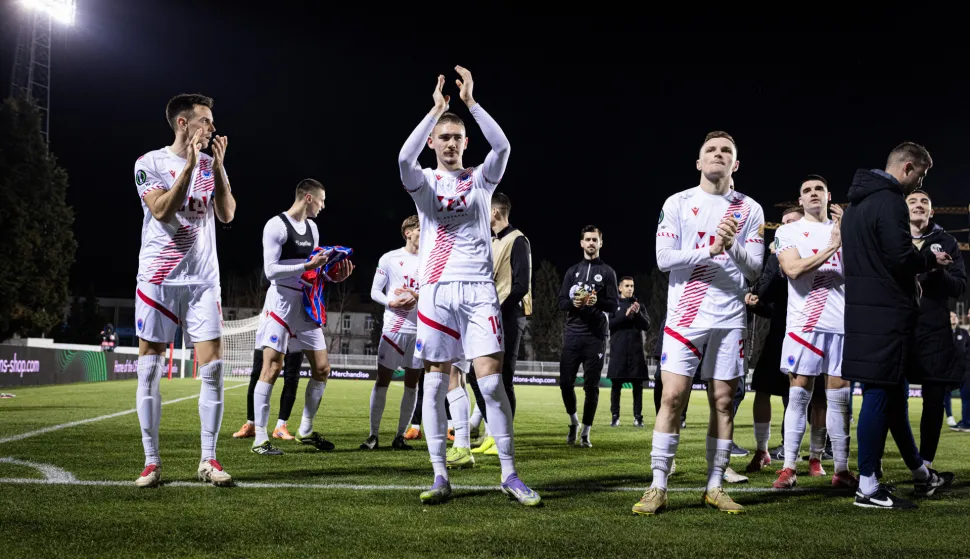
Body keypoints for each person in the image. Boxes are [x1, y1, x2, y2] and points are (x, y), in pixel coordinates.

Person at [397, 66, 539, 505]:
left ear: (465, 143)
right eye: (444, 137)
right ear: (433, 143)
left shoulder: (481, 179)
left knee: (492, 385)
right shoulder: (424, 184)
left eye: (458, 137)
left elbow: (504, 145)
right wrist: (436, 110)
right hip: (437, 291)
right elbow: (403, 160)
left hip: (478, 291)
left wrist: (471, 104)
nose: (452, 143)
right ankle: (441, 476)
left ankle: (510, 474)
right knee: (436, 386)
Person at [635, 131, 765, 516]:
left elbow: (755, 270)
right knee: (672, 398)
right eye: (711, 150)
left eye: (726, 151)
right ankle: (658, 484)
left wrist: (733, 246)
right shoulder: (678, 203)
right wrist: (709, 249)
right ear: (698, 162)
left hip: (729, 319)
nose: (718, 155)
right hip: (685, 317)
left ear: (735, 164)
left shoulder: (749, 209)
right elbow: (663, 258)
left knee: (723, 403)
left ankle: (714, 485)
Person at [842, 142, 954, 509]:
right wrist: (930, 260)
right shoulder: (889, 201)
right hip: (885, 312)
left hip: (863, 310)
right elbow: (901, 257)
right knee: (878, 395)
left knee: (893, 398)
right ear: (907, 168)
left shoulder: (856, 205)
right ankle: (868, 486)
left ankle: (919, 471)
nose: (917, 184)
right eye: (919, 176)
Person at [132, 93, 236, 488]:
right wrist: (190, 166)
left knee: (212, 369)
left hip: (203, 280)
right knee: (150, 370)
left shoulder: (211, 164)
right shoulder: (150, 162)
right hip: (158, 278)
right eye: (206, 121)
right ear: (183, 123)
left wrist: (219, 168)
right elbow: (161, 209)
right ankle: (151, 462)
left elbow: (226, 214)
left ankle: (208, 459)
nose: (212, 128)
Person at [249, 179, 354, 456]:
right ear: (308, 198)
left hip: (305, 303)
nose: (323, 206)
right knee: (271, 369)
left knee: (322, 369)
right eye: (321, 200)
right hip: (281, 303)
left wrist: (332, 275)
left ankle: (305, 429)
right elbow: (270, 271)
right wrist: (308, 264)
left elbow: (312, 273)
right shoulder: (276, 225)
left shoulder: (313, 229)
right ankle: (260, 438)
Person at [768, 175, 857, 490]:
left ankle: (842, 470)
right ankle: (789, 467)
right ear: (801, 200)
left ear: (829, 196)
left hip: (840, 326)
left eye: (819, 189)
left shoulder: (848, 231)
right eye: (807, 190)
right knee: (798, 397)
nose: (813, 193)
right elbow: (792, 269)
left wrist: (849, 236)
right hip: (804, 325)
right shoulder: (787, 231)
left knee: (839, 400)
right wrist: (833, 247)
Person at [465, 191, 533, 453]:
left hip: (509, 316)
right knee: (477, 376)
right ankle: (494, 433)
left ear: (494, 212)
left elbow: (520, 286)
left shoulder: (518, 240)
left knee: (504, 379)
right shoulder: (490, 241)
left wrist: (497, 309)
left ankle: (503, 438)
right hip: (489, 317)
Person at [906, 189, 966, 466]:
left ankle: (926, 465)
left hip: (934, 329)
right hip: (898, 327)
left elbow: (960, 286)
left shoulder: (947, 242)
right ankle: (879, 467)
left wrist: (939, 271)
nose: (919, 206)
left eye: (924, 203)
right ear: (903, 210)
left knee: (933, 400)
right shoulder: (894, 238)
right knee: (890, 397)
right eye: (913, 202)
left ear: (932, 212)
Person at [745, 206, 803, 472]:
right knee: (763, 389)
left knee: (799, 395)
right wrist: (756, 301)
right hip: (778, 334)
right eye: (782, 222)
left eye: (791, 222)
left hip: (806, 333)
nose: (784, 226)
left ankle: (800, 451)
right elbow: (766, 296)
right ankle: (762, 450)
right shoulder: (774, 258)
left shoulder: (813, 254)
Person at [360, 215, 423, 451]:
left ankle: (399, 436)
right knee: (383, 380)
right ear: (408, 232)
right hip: (394, 328)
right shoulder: (390, 258)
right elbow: (375, 290)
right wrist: (390, 302)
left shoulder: (430, 260)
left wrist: (417, 297)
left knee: (412, 384)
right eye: (420, 229)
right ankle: (373, 435)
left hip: (420, 329)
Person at [557, 225, 619, 447]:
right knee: (565, 383)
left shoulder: (609, 273)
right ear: (581, 243)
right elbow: (561, 301)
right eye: (588, 239)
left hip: (595, 336)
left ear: (601, 243)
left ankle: (586, 432)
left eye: (595, 239)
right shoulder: (572, 272)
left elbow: (614, 305)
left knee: (591, 387)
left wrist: (597, 302)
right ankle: (574, 422)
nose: (591, 243)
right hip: (573, 334)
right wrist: (573, 303)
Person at [232, 346, 303, 440]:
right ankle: (251, 424)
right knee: (257, 374)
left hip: (295, 335)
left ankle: (280, 427)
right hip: (267, 335)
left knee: (292, 377)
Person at [608, 276, 650, 427]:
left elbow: (647, 326)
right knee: (616, 386)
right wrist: (625, 316)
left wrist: (637, 314)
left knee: (638, 387)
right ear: (620, 288)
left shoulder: (639, 306)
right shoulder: (613, 305)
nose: (630, 288)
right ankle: (615, 417)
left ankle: (638, 418)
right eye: (626, 286)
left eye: (632, 286)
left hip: (636, 354)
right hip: (618, 353)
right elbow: (608, 325)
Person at [949, 311, 970, 432]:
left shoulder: (965, 332)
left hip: (968, 368)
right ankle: (965, 420)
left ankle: (967, 423)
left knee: (967, 395)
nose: (968, 316)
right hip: (964, 368)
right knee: (965, 395)